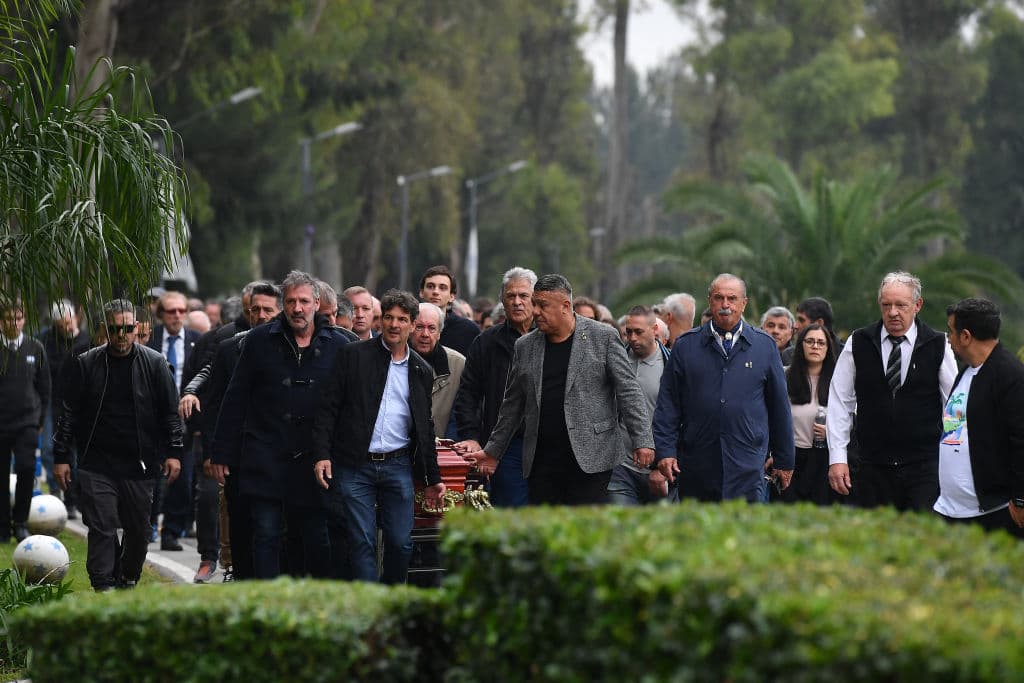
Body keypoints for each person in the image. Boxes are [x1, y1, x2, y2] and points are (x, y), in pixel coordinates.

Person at [464, 274, 654, 506]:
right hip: (541, 461)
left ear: (565, 306)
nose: (535, 312)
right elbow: (512, 405)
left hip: (592, 458)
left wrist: (642, 440)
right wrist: (493, 450)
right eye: (535, 304)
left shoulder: (602, 337)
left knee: (585, 530)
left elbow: (629, 391)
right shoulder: (525, 346)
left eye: (542, 305)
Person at [212, 271, 350, 579]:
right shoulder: (259, 340)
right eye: (290, 302)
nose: (297, 308)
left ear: (317, 303)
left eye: (304, 301)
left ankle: (313, 603)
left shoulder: (339, 345)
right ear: (283, 304)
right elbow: (236, 397)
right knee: (266, 533)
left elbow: (347, 406)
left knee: (316, 537)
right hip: (266, 455)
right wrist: (221, 452)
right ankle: (267, 601)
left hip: (316, 460)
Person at [313, 289, 445, 584]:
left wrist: (433, 477)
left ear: (412, 325)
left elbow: (425, 427)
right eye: (388, 317)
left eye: (401, 319)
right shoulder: (353, 355)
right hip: (354, 465)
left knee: (400, 543)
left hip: (397, 465)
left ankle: (391, 601)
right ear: (379, 320)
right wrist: (322, 454)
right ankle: (370, 610)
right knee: (362, 543)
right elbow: (328, 408)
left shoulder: (421, 370)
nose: (394, 325)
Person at [53, 300, 182, 590]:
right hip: (96, 462)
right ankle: (102, 584)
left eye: (127, 328)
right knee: (102, 526)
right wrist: (61, 455)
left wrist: (174, 452)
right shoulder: (86, 363)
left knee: (138, 531)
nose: (121, 334)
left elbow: (170, 413)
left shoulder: (155, 363)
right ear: (104, 330)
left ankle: (127, 576)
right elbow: (69, 413)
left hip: (140, 463)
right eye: (114, 329)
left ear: (137, 327)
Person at [653, 273, 794, 502]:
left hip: (747, 464)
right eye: (719, 298)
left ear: (744, 303)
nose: (725, 305)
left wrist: (785, 459)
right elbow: (668, 405)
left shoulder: (764, 346)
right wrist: (665, 451)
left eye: (732, 298)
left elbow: (779, 408)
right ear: (709, 300)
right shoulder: (686, 346)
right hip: (697, 462)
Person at [827, 271, 957, 510]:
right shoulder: (859, 342)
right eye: (886, 305)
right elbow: (839, 402)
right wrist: (837, 458)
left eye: (901, 305)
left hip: (924, 469)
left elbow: (953, 408)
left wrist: (953, 464)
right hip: (871, 467)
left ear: (917, 305)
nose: (893, 312)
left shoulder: (938, 345)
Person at [185, 282, 282, 582]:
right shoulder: (228, 347)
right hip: (240, 455)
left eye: (268, 310)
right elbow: (216, 406)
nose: (262, 315)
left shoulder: (295, 348)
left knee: (271, 528)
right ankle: (239, 575)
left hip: (280, 454)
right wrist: (215, 453)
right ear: (247, 312)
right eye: (256, 310)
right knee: (239, 522)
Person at [934, 298, 1024, 538]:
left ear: (966, 336)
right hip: (951, 510)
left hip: (994, 512)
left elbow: (1021, 441)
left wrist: (1021, 499)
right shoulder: (966, 373)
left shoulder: (1009, 375)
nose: (949, 339)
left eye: (951, 332)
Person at [453, 267, 537, 507]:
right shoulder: (487, 342)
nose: (517, 302)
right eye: (511, 296)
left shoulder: (550, 337)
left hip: (546, 444)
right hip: (505, 445)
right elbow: (468, 394)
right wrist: (471, 436)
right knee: (511, 514)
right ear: (502, 300)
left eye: (524, 296)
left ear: (536, 299)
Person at [146, 290, 200, 551]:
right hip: (152, 419)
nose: (177, 315)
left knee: (183, 479)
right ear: (161, 314)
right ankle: (147, 524)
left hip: (184, 421)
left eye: (181, 310)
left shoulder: (196, 341)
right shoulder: (150, 339)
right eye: (171, 311)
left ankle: (172, 532)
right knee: (151, 476)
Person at [606, 306, 672, 505]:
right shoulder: (617, 361)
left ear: (654, 330)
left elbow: (682, 419)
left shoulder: (672, 365)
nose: (632, 338)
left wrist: (661, 466)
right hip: (621, 467)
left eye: (638, 332)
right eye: (628, 332)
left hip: (660, 469)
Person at [0, 300, 51, 542]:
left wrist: (39, 420)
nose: (15, 323)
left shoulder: (35, 348)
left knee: (26, 468)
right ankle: (2, 525)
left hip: (27, 423)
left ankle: (20, 521)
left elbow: (45, 387)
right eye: (10, 318)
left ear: (24, 320)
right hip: (1, 423)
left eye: (19, 318)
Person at [37, 299, 90, 518]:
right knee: (51, 449)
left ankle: (73, 497)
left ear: (75, 318)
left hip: (78, 402)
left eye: (68, 320)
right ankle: (57, 487)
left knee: (76, 453)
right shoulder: (46, 339)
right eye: (61, 322)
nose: (66, 326)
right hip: (53, 400)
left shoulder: (86, 340)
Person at [778, 324, 838, 505]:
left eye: (821, 343)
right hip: (791, 457)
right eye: (810, 341)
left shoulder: (838, 380)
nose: (815, 346)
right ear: (800, 345)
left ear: (828, 348)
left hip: (824, 458)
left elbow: (851, 419)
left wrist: (831, 432)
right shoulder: (784, 375)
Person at [411, 303, 465, 439]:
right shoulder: (395, 360)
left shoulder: (458, 364)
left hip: (442, 449)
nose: (425, 334)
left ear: (439, 333)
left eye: (432, 328)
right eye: (419, 327)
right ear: (410, 328)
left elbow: (462, 414)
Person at [419, 265, 479, 356]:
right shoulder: (407, 326)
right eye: (430, 286)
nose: (435, 292)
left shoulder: (468, 330)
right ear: (421, 292)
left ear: (452, 296)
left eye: (442, 288)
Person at [782, 297, 838, 365]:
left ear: (819, 323)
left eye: (801, 320)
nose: (795, 326)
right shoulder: (789, 355)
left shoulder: (846, 354)